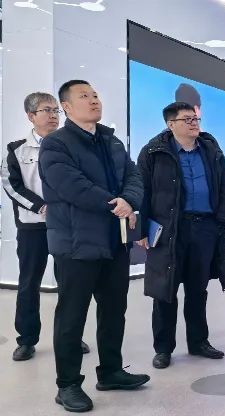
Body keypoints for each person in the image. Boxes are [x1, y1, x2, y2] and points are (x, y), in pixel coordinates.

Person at [39, 80, 149, 413]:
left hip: (113, 241)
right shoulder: (56, 143)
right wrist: (115, 204)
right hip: (76, 244)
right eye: (84, 96)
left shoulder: (111, 141)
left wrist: (129, 200)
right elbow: (71, 186)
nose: (93, 100)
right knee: (71, 316)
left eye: (95, 95)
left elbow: (134, 176)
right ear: (67, 107)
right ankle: (68, 385)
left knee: (114, 310)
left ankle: (111, 372)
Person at [136, 102, 225, 370]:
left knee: (197, 289)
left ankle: (199, 341)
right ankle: (163, 348)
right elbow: (142, 190)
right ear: (171, 124)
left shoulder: (211, 149)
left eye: (195, 119)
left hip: (204, 228)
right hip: (169, 229)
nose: (194, 123)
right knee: (164, 290)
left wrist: (221, 221)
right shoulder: (153, 152)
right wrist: (142, 229)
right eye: (187, 119)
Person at [2, 92, 90, 361]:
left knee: (70, 284)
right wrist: (41, 206)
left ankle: (71, 337)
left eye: (56, 110)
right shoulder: (16, 149)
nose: (53, 115)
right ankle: (26, 340)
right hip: (33, 227)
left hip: (66, 226)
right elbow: (11, 186)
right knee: (29, 283)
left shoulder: (71, 145)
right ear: (31, 116)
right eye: (46, 110)